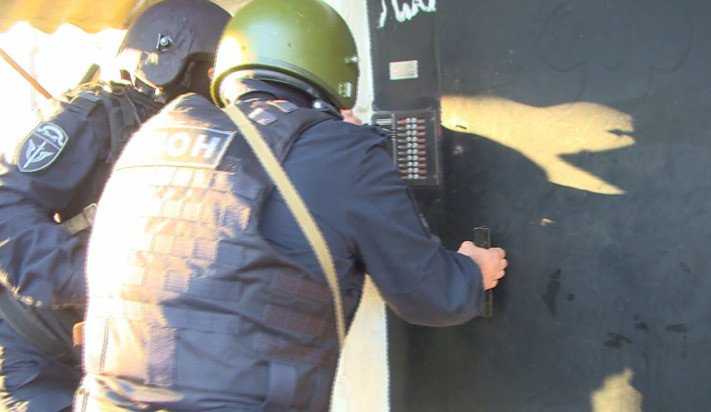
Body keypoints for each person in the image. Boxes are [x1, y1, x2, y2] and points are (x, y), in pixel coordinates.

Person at [78, 0, 508, 410]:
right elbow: (431, 295)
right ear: (334, 71)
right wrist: (473, 272)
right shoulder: (341, 152)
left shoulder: (156, 139)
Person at [0, 1, 230, 410]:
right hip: (40, 350)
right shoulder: (94, 116)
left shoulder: (211, 141)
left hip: (126, 353)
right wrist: (100, 281)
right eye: (212, 71)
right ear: (172, 58)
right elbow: (7, 208)